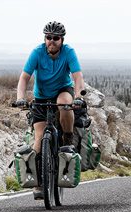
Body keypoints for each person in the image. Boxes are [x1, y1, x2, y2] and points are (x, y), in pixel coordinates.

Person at [14, 21, 85, 154]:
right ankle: (41, 172)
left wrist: (79, 97)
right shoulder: (37, 52)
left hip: (62, 90)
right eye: (49, 37)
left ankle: (68, 138)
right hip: (41, 96)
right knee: (38, 143)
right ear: (44, 39)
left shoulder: (68, 52)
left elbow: (77, 76)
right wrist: (20, 98)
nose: (52, 41)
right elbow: (24, 77)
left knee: (64, 103)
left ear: (62, 40)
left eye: (56, 38)